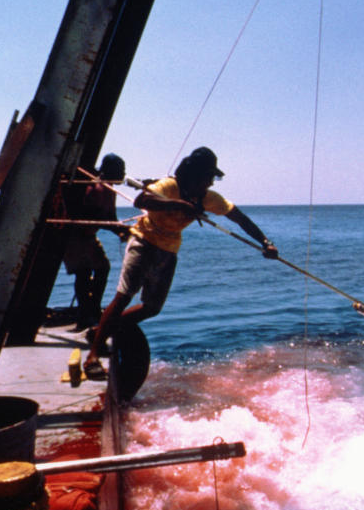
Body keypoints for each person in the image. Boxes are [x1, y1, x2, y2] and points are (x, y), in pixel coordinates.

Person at [82, 146, 278, 380]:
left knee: (152, 308)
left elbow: (239, 218)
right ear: (194, 174)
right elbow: (141, 199)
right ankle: (93, 356)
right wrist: (178, 205)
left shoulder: (208, 199)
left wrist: (265, 242)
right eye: (208, 177)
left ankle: (99, 330)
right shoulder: (168, 186)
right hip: (144, 241)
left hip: (168, 248)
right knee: (124, 296)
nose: (212, 183)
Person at [62, 153, 127, 331]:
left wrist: (122, 230)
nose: (123, 173)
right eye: (121, 170)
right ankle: (85, 316)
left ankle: (93, 309)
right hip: (76, 235)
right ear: (109, 170)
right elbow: (94, 217)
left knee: (103, 268)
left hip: (88, 236)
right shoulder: (95, 188)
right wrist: (118, 228)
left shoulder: (110, 189)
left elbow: (110, 218)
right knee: (83, 273)